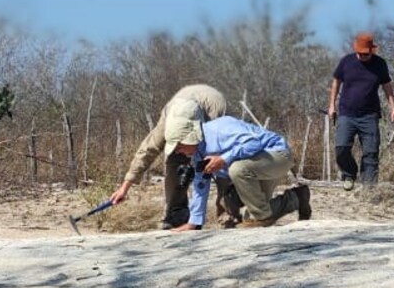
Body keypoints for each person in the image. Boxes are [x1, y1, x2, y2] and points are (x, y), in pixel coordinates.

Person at [108, 84, 227, 229]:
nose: (178, 150)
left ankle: (228, 213)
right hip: (181, 104)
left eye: (180, 145)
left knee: (217, 165)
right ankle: (176, 214)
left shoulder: (216, 118)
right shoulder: (166, 123)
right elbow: (146, 152)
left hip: (211, 108)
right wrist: (124, 188)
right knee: (174, 161)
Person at [165, 114, 311, 230]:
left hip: (277, 155)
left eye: (179, 146)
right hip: (256, 166)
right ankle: (297, 198)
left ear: (189, 138)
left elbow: (255, 143)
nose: (178, 152)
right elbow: (200, 185)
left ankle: (262, 217)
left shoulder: (220, 129)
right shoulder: (197, 153)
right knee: (231, 204)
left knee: (237, 170)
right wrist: (194, 223)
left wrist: (223, 159)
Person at [327, 32, 394, 190]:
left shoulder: (380, 64)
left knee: (371, 151)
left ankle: (368, 186)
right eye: (360, 53)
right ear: (356, 50)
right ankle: (349, 174)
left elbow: (387, 87)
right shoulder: (346, 62)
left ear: (371, 50)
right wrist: (332, 105)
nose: (363, 56)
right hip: (347, 113)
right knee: (341, 147)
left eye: (366, 54)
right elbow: (336, 82)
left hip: (369, 115)